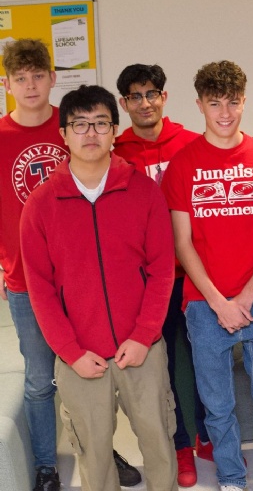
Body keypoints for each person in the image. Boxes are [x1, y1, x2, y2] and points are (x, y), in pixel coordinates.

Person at [20, 84, 177, 491]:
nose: (91, 133)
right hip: (80, 356)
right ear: (63, 134)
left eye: (101, 124)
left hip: (141, 350)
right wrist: (70, 351)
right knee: (94, 455)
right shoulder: (40, 204)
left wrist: (143, 336)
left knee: (160, 444)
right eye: (80, 124)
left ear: (114, 131)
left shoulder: (144, 192)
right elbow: (40, 289)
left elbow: (162, 270)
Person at [0, 38, 140, 491]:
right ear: (7, 84)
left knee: (96, 375)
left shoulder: (77, 124)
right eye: (20, 78)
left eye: (38, 76)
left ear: (52, 78)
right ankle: (46, 465)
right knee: (41, 380)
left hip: (83, 280)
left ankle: (102, 451)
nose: (31, 85)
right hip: (26, 282)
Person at [161, 60, 253, 491]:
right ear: (199, 105)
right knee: (217, 406)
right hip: (204, 304)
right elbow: (182, 243)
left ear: (244, 102)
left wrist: (248, 296)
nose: (225, 112)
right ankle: (232, 477)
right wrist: (219, 302)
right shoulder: (182, 164)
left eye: (233, 102)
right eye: (215, 103)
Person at [113, 62, 204, 488]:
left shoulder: (191, 143)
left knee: (205, 358)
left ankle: (208, 435)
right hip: (148, 282)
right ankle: (180, 444)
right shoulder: (115, 154)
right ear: (124, 103)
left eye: (152, 94)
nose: (145, 103)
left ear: (164, 97)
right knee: (162, 368)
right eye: (135, 96)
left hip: (195, 274)